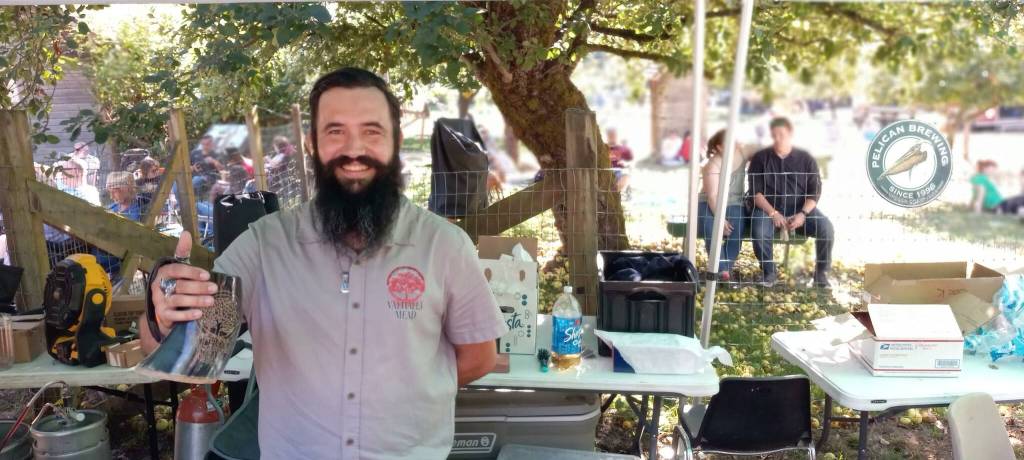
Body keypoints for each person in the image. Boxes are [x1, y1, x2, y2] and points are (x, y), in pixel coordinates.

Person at [138, 67, 506, 459]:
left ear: (396, 142)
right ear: (312, 144)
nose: (353, 149)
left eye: (372, 131)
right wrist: (164, 313)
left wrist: (404, 395)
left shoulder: (445, 245)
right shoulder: (265, 246)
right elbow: (180, 351)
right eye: (335, 132)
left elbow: (479, 357)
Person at [748, 117, 834, 288]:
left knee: (826, 229)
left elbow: (814, 191)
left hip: (800, 209)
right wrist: (773, 213)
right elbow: (755, 193)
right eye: (774, 135)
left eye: (782, 134)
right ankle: (769, 272)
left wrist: (803, 214)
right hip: (768, 208)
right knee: (759, 231)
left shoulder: (806, 158)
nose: (778, 138)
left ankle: (821, 274)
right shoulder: (760, 158)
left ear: (791, 133)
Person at [697, 129, 756, 281]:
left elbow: (763, 147)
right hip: (709, 202)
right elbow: (712, 196)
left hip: (735, 202)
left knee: (737, 230)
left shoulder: (742, 152)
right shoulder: (712, 165)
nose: (735, 144)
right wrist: (720, 219)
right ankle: (723, 271)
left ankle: (723, 270)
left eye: (735, 140)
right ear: (719, 148)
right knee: (711, 228)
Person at [43, 158, 101, 267]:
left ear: (77, 172)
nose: (61, 173)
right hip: (50, 235)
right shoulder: (58, 186)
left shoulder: (89, 191)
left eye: (65, 169)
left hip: (70, 239)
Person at [607, 128, 633, 193]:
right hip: (607, 170)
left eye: (614, 135)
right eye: (610, 135)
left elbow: (630, 162)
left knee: (624, 174)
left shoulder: (624, 149)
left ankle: (616, 193)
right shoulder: (604, 148)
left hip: (619, 171)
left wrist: (625, 163)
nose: (612, 137)